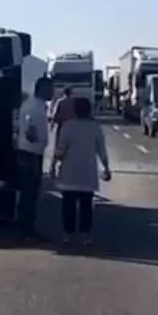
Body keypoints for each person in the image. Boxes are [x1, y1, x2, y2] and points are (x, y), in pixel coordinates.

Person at [53, 95, 112, 245]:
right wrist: (106, 168)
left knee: (68, 204)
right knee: (86, 205)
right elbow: (102, 151)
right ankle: (85, 234)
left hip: (69, 172)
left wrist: (54, 165)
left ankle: (68, 232)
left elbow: (60, 150)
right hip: (88, 171)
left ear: (75, 110)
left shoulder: (68, 126)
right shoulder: (95, 127)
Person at [17, 76, 54, 236]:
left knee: (30, 191)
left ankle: (26, 228)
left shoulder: (37, 105)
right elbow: (29, 123)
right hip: (30, 154)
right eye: (50, 89)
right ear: (42, 89)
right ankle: (25, 230)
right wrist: (31, 132)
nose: (53, 92)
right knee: (29, 192)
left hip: (32, 152)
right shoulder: (34, 106)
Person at [47, 86, 76, 176]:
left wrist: (52, 126)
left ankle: (52, 168)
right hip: (72, 128)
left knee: (59, 148)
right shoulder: (74, 102)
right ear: (71, 93)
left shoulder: (60, 102)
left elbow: (55, 115)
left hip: (62, 127)